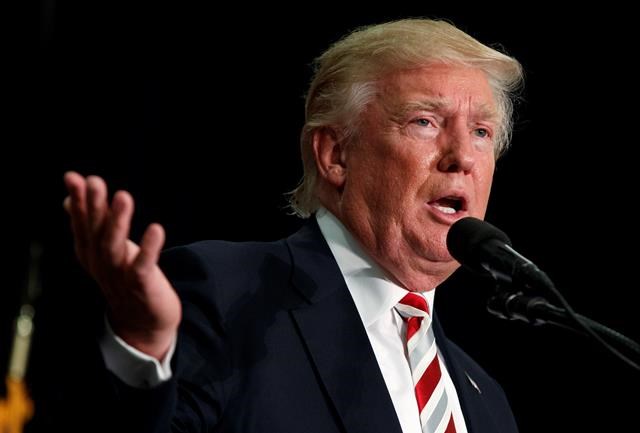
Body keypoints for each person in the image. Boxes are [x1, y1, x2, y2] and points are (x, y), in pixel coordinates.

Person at [63, 18, 523, 433]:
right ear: (335, 155)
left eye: (481, 132)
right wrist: (141, 352)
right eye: (425, 122)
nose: (463, 156)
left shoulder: (488, 404)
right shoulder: (226, 297)